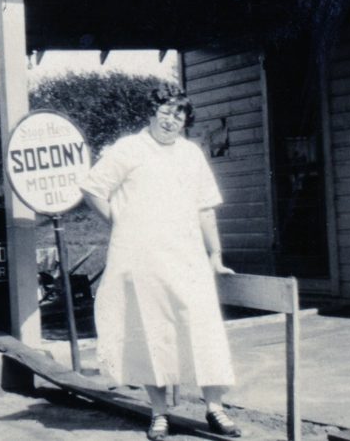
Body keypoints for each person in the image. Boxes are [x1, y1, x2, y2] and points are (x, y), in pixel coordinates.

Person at [80, 84, 241, 440]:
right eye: (166, 111)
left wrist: (215, 255)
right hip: (143, 261)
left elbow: (205, 208)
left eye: (179, 114)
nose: (171, 120)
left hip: (187, 259)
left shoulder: (191, 154)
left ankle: (214, 408)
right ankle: (159, 414)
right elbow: (92, 188)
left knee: (204, 330)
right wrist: (121, 224)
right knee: (151, 332)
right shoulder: (129, 149)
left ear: (186, 120)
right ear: (152, 112)